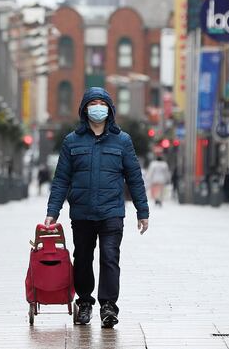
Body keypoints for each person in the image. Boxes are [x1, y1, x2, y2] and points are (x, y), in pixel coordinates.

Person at [45, 87, 149, 329]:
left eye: (102, 103)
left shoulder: (122, 141)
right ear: (84, 109)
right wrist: (53, 211)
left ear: (110, 109)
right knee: (82, 258)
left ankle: (108, 306)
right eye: (93, 103)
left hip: (112, 212)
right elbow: (61, 179)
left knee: (110, 256)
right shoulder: (72, 141)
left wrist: (142, 212)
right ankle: (84, 303)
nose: (98, 107)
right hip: (82, 213)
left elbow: (134, 177)